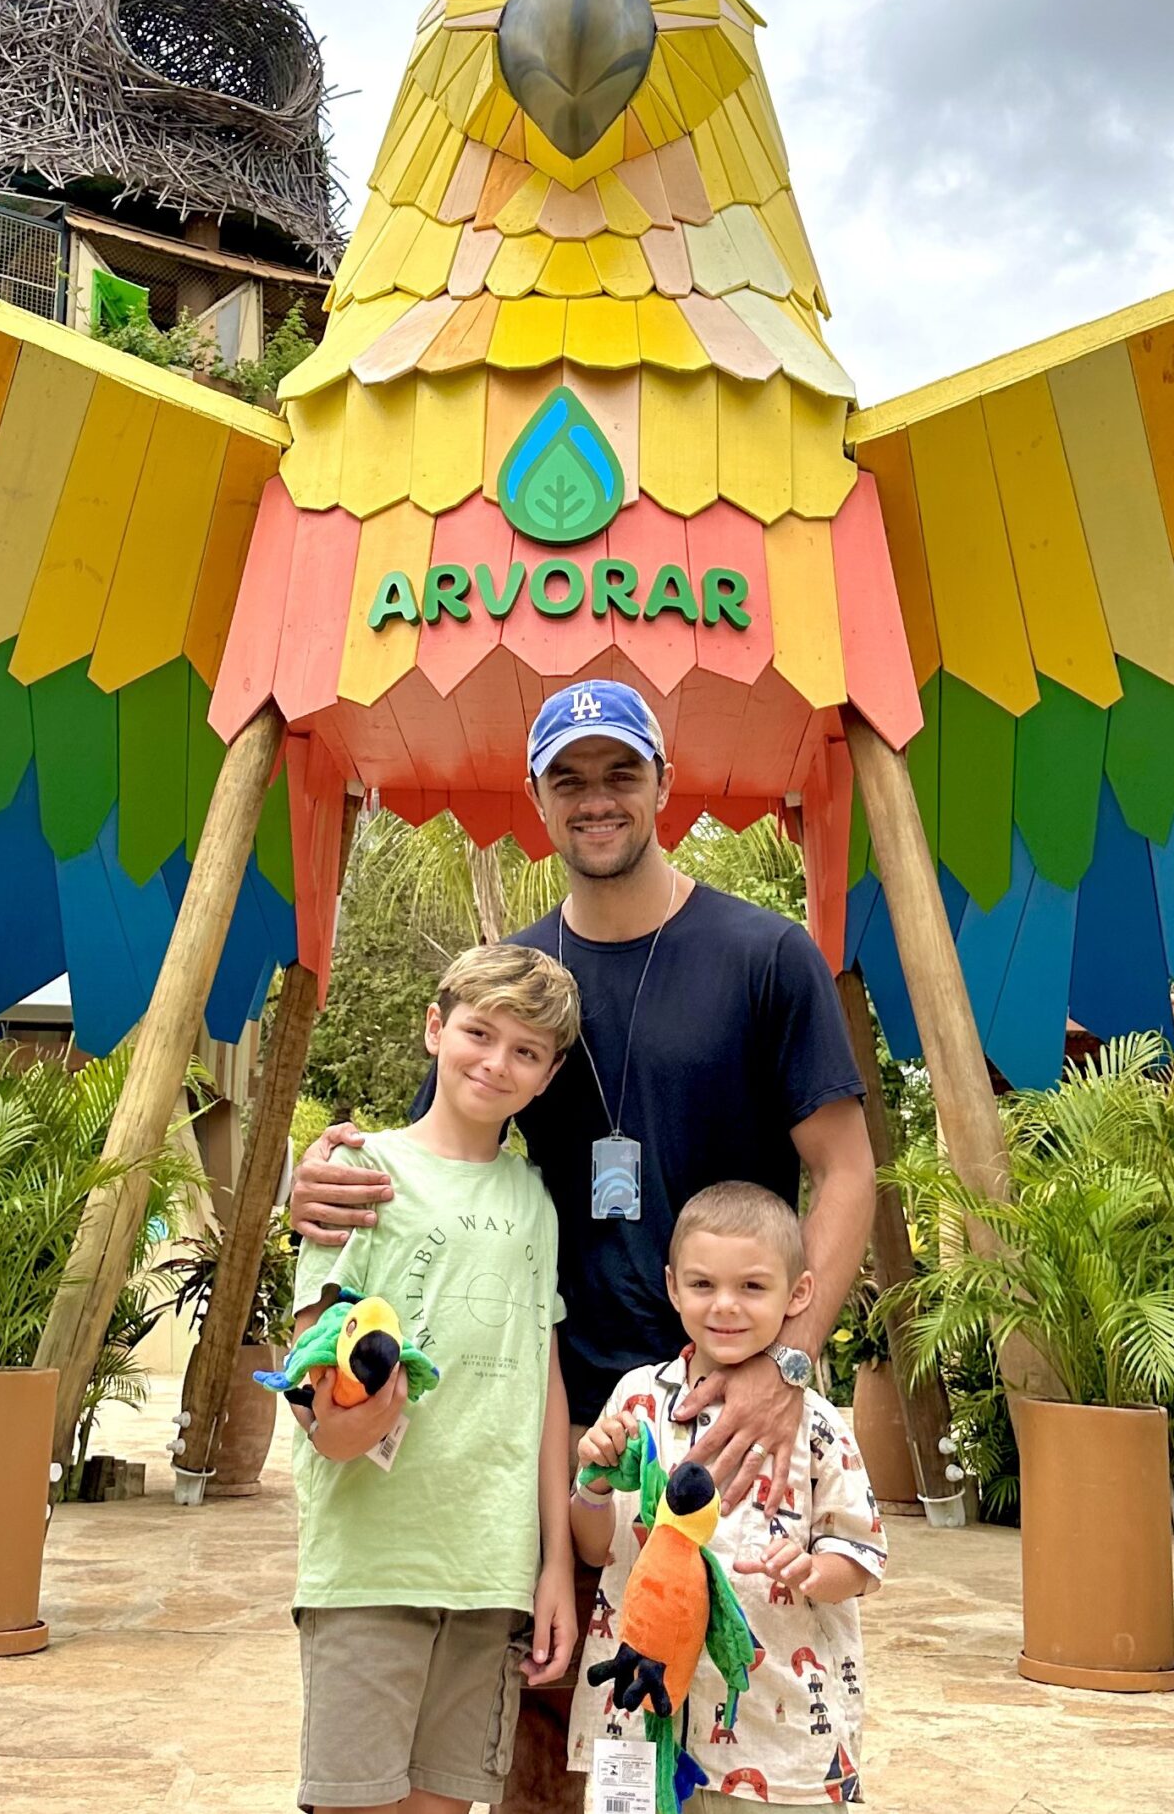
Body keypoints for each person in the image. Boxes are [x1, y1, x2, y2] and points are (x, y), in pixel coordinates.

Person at [291, 678, 879, 1813]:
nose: (597, 799)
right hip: (555, 1424)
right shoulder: (516, 988)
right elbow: (437, 1151)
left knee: (746, 1733)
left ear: (665, 783)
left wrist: (786, 1361)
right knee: (545, 1743)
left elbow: (845, 1166)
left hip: (725, 1405)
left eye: (621, 772)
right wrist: (319, 1174)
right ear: (537, 798)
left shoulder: (765, 955)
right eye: (570, 777)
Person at [287, 940, 584, 1814]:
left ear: (548, 1074)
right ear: (434, 1028)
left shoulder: (536, 1200)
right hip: (371, 1565)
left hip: (489, 1573)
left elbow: (544, 1383)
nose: (496, 1062)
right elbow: (316, 1384)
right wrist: (351, 1414)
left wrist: (553, 1564)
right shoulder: (357, 1174)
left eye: (525, 1051)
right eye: (479, 1033)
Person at [568, 1181, 885, 1807]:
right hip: (637, 1723)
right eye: (703, 1284)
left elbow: (861, 1557)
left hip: (779, 1732)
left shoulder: (816, 1424)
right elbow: (592, 1545)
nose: (726, 1306)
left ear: (798, 1294)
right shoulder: (635, 1399)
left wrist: (814, 1569)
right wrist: (596, 1483)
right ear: (672, 1286)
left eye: (752, 1287)